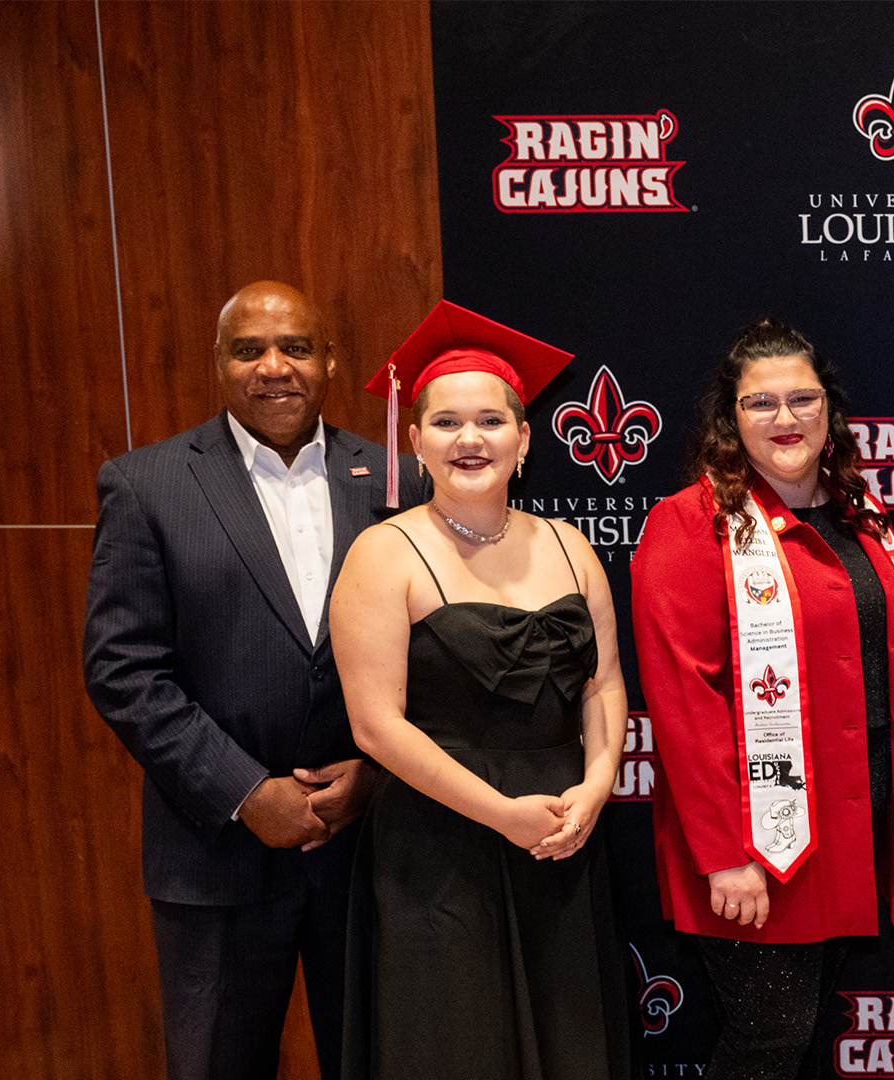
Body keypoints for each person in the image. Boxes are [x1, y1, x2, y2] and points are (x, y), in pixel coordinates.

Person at [84, 281, 395, 1080]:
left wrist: (379, 774)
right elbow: (123, 670)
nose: (273, 367)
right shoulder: (146, 484)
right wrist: (247, 793)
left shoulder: (397, 482)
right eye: (248, 350)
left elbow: (429, 659)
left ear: (328, 360)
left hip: (365, 854)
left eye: (295, 347)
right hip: (213, 856)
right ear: (219, 366)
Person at [328, 300, 630, 1079]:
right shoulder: (383, 553)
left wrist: (596, 786)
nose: (471, 439)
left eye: (492, 421)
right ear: (415, 440)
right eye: (448, 423)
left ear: (524, 439)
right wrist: (502, 815)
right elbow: (375, 727)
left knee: (572, 1046)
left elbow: (602, 686)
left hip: (561, 837)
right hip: (440, 845)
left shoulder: (570, 546)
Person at [632, 319, 894, 1080]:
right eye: (761, 404)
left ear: (831, 411)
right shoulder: (691, 525)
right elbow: (682, 701)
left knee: (812, 1034)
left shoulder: (862, 512)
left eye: (803, 399)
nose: (785, 419)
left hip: (853, 829)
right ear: (732, 418)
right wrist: (726, 857)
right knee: (767, 1043)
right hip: (758, 844)